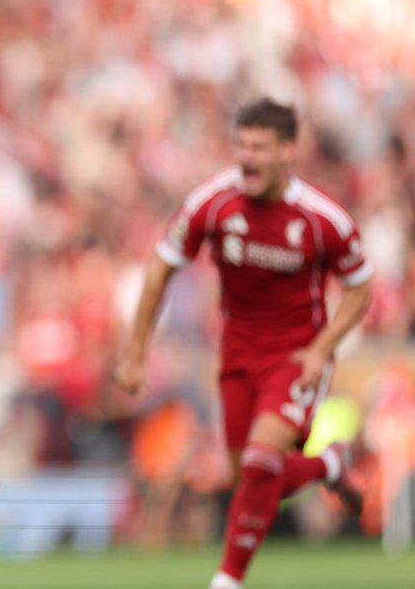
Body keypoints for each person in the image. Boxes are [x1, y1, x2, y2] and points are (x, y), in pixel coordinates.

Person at [114, 99, 371, 589]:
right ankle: (329, 464)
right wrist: (134, 351)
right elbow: (162, 264)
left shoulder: (322, 219)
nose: (247, 157)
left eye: (259, 147)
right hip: (236, 353)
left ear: (288, 151)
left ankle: (228, 579)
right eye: (241, 146)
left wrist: (323, 349)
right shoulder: (214, 203)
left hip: (296, 356)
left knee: (260, 462)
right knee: (249, 478)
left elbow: (361, 287)